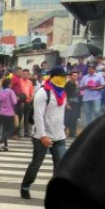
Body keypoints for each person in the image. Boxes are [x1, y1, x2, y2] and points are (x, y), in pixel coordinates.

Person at [20, 66, 68, 200]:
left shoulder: (62, 93)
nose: (64, 79)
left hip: (59, 136)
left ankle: (56, 192)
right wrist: (43, 135)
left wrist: (63, 128)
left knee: (61, 166)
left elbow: (60, 113)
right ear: (53, 77)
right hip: (42, 136)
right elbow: (38, 116)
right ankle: (25, 186)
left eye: (65, 76)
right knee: (36, 164)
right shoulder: (43, 93)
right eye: (62, 76)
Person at [79, 61, 105, 126]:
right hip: (86, 97)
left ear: (94, 69)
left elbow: (103, 85)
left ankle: (97, 124)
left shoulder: (99, 76)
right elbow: (80, 88)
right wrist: (85, 86)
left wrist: (96, 88)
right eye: (89, 68)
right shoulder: (85, 77)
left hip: (96, 97)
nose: (90, 70)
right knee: (88, 112)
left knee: (97, 111)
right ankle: (90, 126)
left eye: (91, 68)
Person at [0, 78, 17, 152]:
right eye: (11, 83)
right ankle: (0, 142)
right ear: (8, 84)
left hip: (2, 112)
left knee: (5, 130)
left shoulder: (1, 92)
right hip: (10, 113)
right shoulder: (11, 91)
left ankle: (5, 145)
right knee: (10, 129)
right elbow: (14, 102)